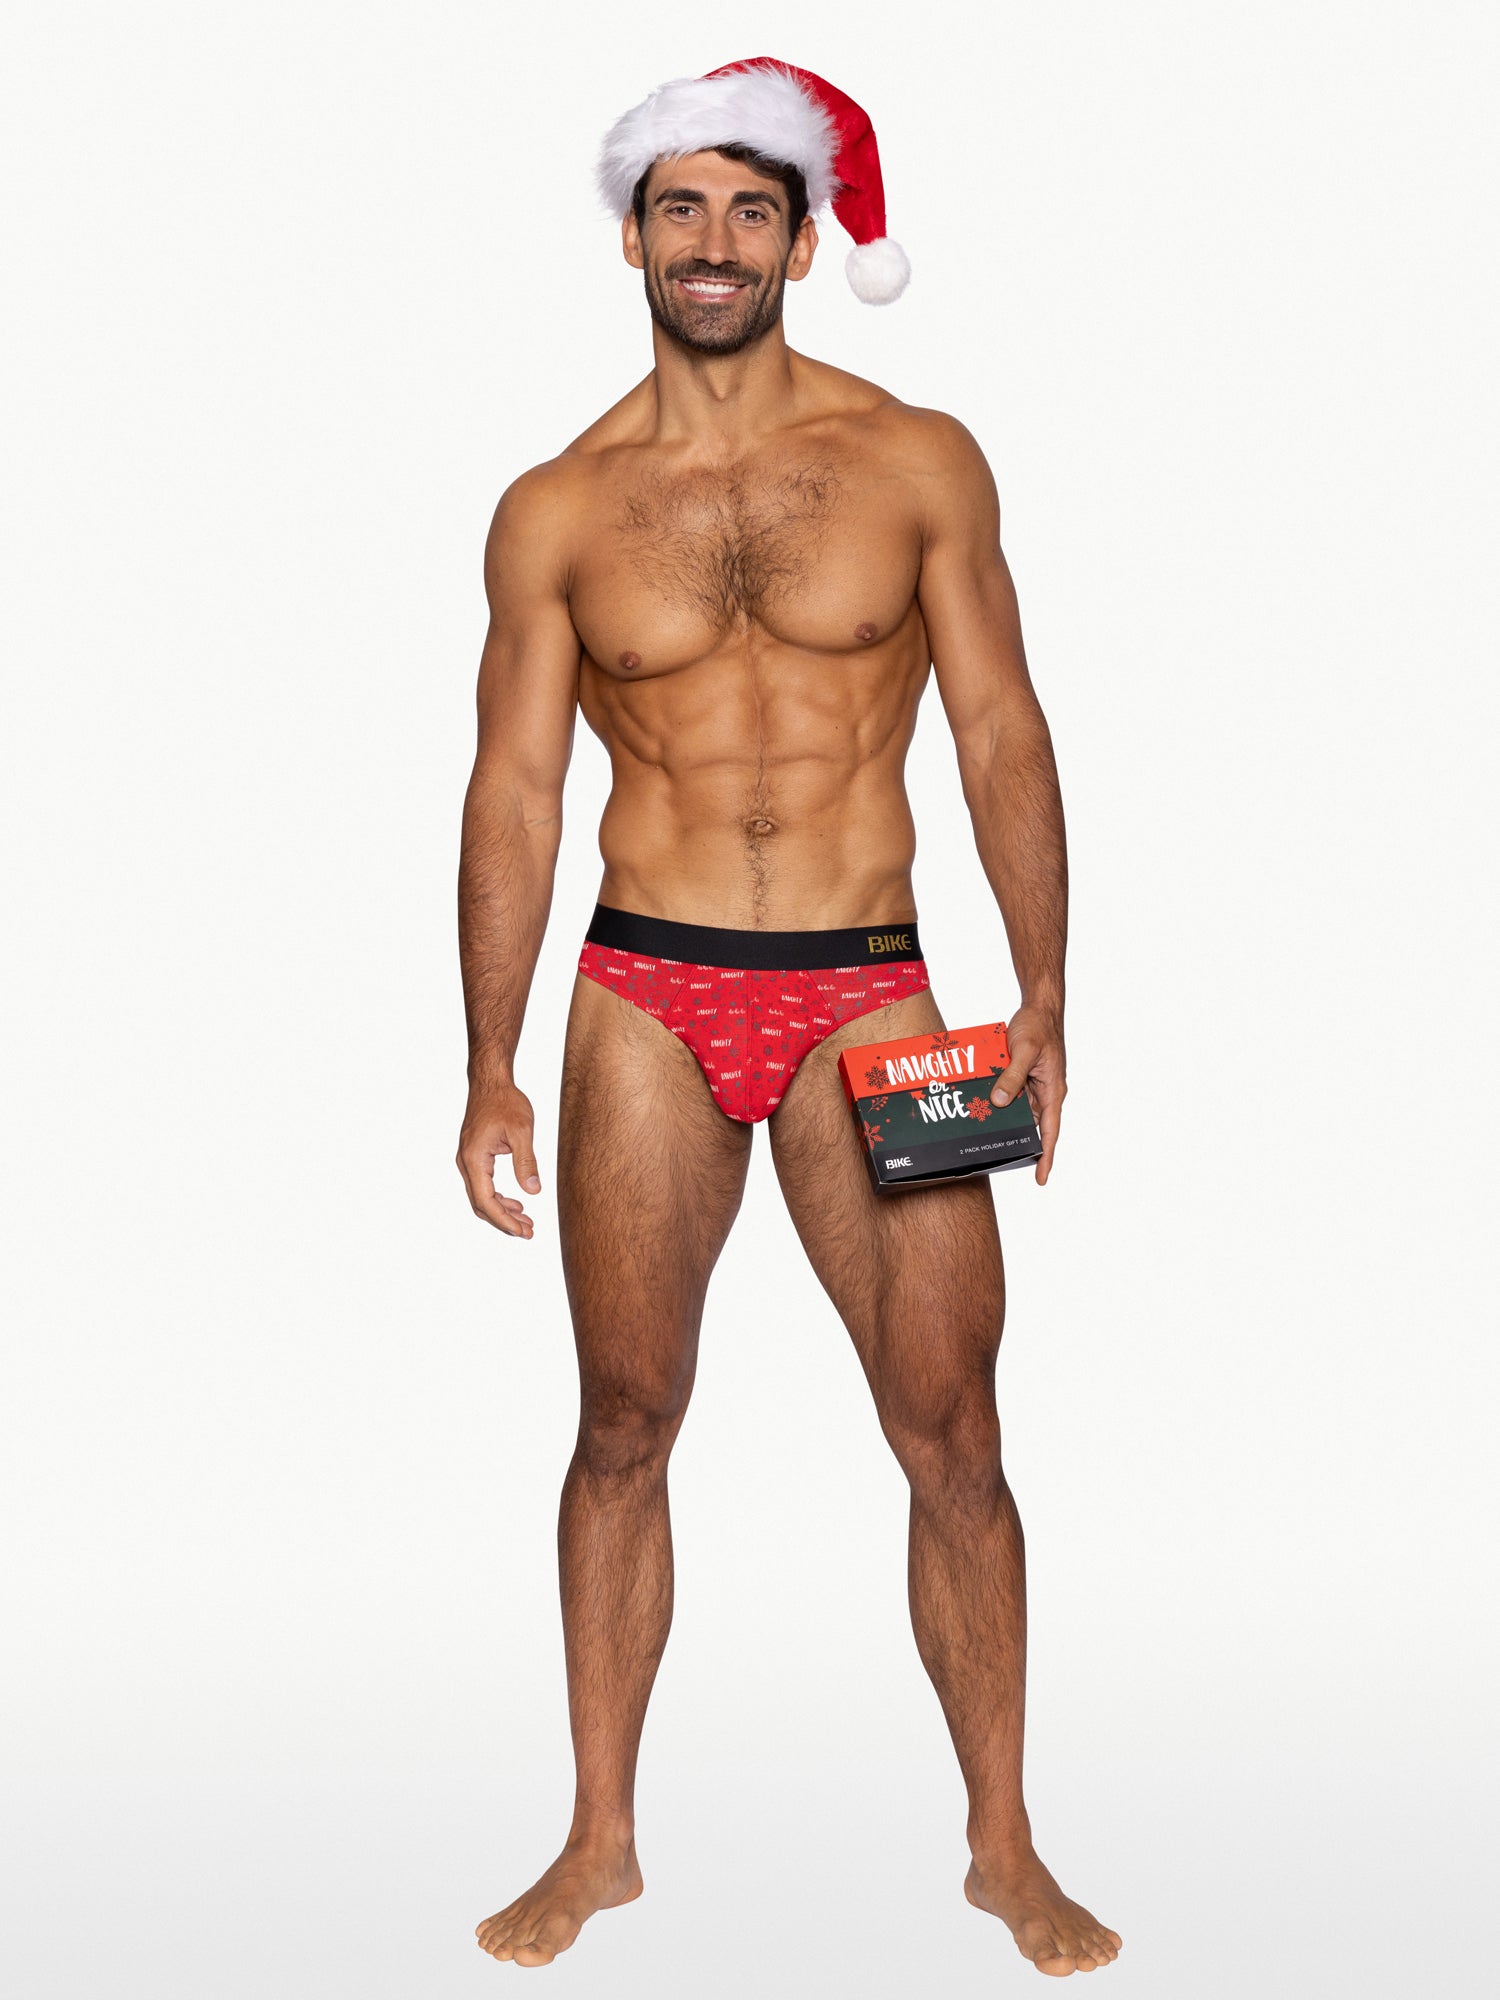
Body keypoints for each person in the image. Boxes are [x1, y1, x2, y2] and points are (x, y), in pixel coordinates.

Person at [457, 58, 1121, 1980]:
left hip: (874, 992)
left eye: (753, 210)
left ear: (806, 245)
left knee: (956, 1428)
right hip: (642, 994)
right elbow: (516, 790)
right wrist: (487, 1058)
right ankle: (599, 1840)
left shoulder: (919, 462)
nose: (716, 242)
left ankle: (1003, 1845)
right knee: (621, 1422)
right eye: (682, 207)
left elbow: (999, 725)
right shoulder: (556, 507)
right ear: (634, 238)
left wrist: (1048, 986)